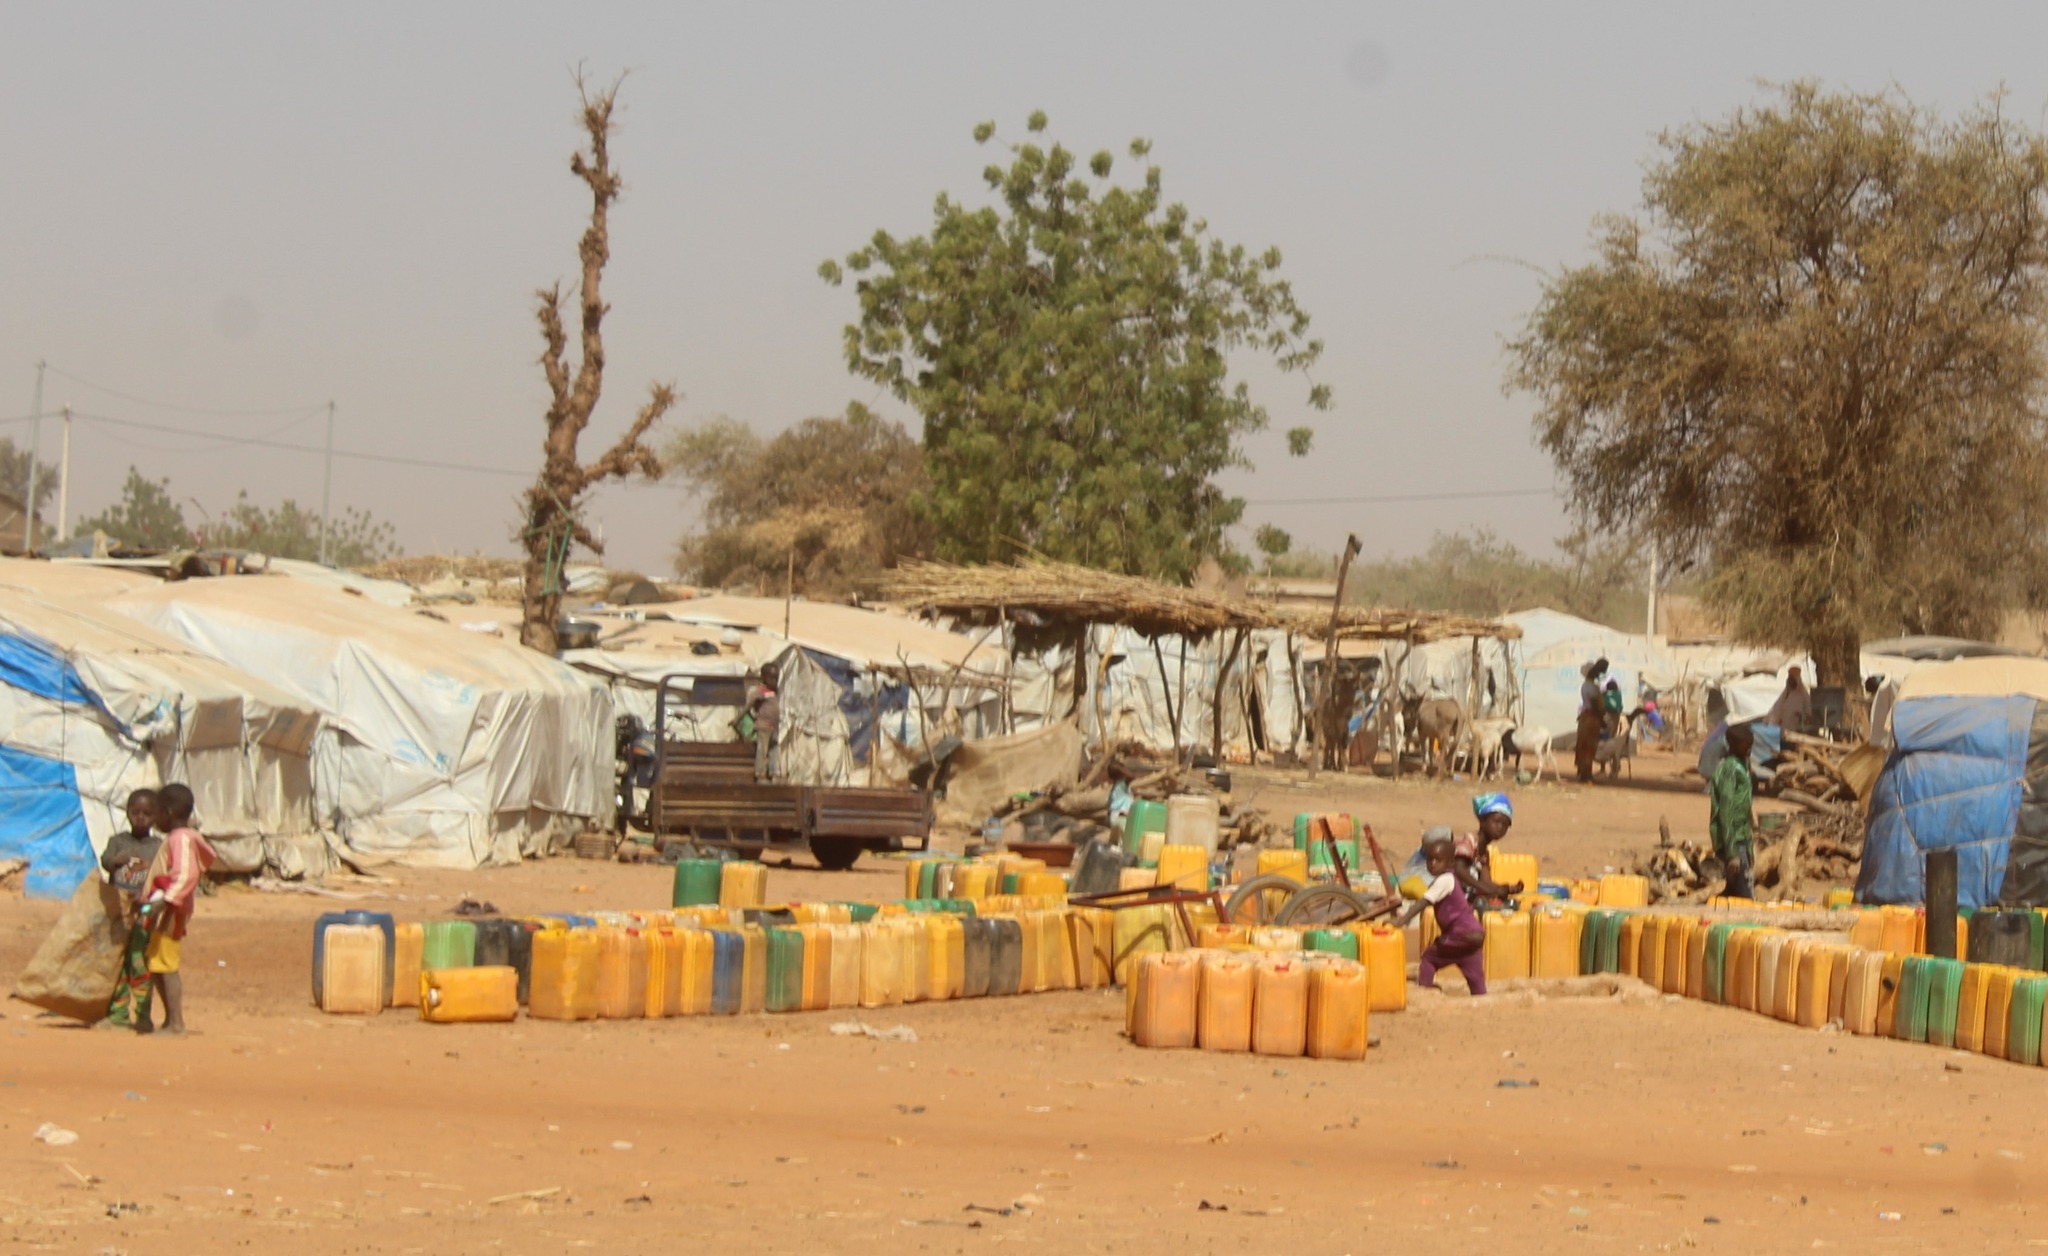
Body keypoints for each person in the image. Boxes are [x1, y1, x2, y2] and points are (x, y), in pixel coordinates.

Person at [140, 783, 218, 1036]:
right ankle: (169, 1020)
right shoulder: (178, 839)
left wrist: (165, 901)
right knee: (157, 963)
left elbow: (185, 875)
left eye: (157, 813)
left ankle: (176, 1023)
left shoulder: (181, 839)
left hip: (170, 912)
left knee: (167, 965)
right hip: (164, 910)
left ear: (169, 812)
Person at [1393, 829, 1488, 996]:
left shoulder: (1445, 880)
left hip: (1460, 933)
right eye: (1430, 860)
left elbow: (1424, 902)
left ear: (1451, 862)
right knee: (1475, 975)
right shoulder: (1449, 879)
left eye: (1438, 860)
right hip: (1475, 935)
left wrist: (1402, 920)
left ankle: (1425, 990)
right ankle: (1480, 997)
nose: (1432, 864)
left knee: (1430, 957)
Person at [101, 789, 163, 1032]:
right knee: (118, 963)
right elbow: (105, 860)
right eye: (135, 812)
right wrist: (114, 861)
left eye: (147, 814)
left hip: (144, 915)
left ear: (156, 817)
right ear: (127, 813)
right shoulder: (118, 842)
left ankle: (143, 1015)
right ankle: (118, 1013)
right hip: (119, 913)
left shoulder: (158, 847)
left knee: (139, 964)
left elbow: (162, 878)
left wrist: (147, 897)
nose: (140, 818)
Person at [1711, 723, 1757, 901]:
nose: (1749, 749)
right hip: (1734, 841)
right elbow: (1726, 811)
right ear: (1734, 744)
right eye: (1746, 745)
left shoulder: (1741, 767)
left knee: (1733, 894)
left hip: (1742, 838)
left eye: (1751, 745)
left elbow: (1744, 810)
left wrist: (1750, 849)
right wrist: (1732, 854)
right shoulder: (1730, 769)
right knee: (1746, 897)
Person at [1453, 792, 1525, 906]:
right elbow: (1459, 870)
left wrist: (1504, 889)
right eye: (1496, 822)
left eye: (1505, 825)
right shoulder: (1469, 840)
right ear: (1482, 821)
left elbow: (1486, 882)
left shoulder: (1484, 853)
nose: (1500, 827)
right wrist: (1486, 888)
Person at [1574, 658, 1609, 783]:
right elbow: (1595, 706)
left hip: (1585, 717)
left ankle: (1582, 772)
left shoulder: (1585, 686)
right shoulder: (1592, 688)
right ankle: (1586, 774)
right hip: (1592, 719)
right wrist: (1602, 720)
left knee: (1583, 745)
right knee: (1589, 747)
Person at [747, 662, 782, 781]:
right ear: (764, 678)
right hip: (764, 725)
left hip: (774, 726)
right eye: (771, 678)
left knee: (774, 749)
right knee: (762, 750)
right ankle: (760, 773)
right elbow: (750, 704)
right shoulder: (761, 691)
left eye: (776, 678)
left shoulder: (774, 691)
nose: (774, 681)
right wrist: (737, 719)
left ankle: (773, 772)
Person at [1765, 666, 1812, 732]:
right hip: (1783, 725)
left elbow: (1808, 711)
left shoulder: (1802, 694)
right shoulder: (1786, 694)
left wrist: (1803, 716)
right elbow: (1777, 708)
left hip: (1796, 723)